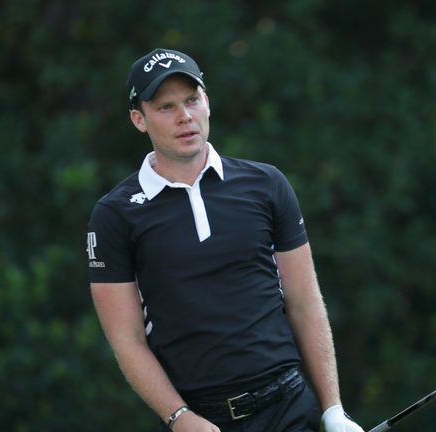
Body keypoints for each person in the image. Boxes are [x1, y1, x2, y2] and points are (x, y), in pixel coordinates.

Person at [86, 47, 364, 432]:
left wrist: (332, 409)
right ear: (139, 119)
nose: (185, 116)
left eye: (191, 100)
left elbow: (305, 302)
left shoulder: (266, 185)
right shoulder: (115, 214)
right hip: (204, 422)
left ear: (207, 102)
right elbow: (127, 339)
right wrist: (179, 418)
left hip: (290, 409)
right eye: (166, 107)